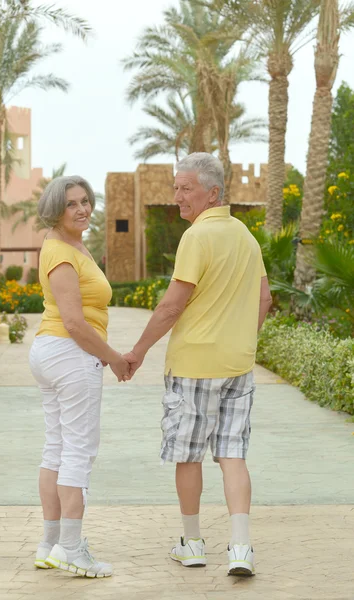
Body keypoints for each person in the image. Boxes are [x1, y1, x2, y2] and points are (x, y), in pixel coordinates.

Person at [124, 153, 272, 577]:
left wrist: (138, 351)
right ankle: (240, 548)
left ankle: (191, 544)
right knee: (233, 454)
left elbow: (172, 305)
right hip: (237, 366)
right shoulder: (246, 236)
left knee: (187, 456)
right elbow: (264, 299)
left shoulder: (197, 237)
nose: (177, 197)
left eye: (185, 188)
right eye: (175, 188)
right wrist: (244, 340)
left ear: (213, 192)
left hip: (193, 365)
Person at [29, 175, 129, 578]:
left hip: (53, 354)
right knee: (78, 451)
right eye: (72, 203)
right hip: (70, 354)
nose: (82, 209)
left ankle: (50, 544)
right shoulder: (61, 253)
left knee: (57, 447)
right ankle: (72, 548)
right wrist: (114, 358)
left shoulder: (69, 245)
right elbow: (74, 321)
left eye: (86, 201)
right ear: (56, 209)